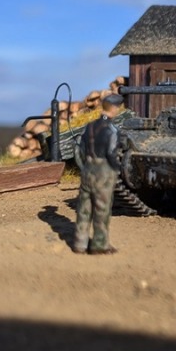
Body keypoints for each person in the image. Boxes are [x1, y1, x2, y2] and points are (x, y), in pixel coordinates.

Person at [73, 93, 123, 255]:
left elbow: (80, 149)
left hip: (88, 167)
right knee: (102, 208)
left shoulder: (90, 126)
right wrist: (117, 169)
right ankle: (99, 245)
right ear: (114, 109)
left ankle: (80, 243)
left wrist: (84, 165)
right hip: (103, 169)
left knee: (84, 208)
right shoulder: (112, 130)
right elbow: (111, 153)